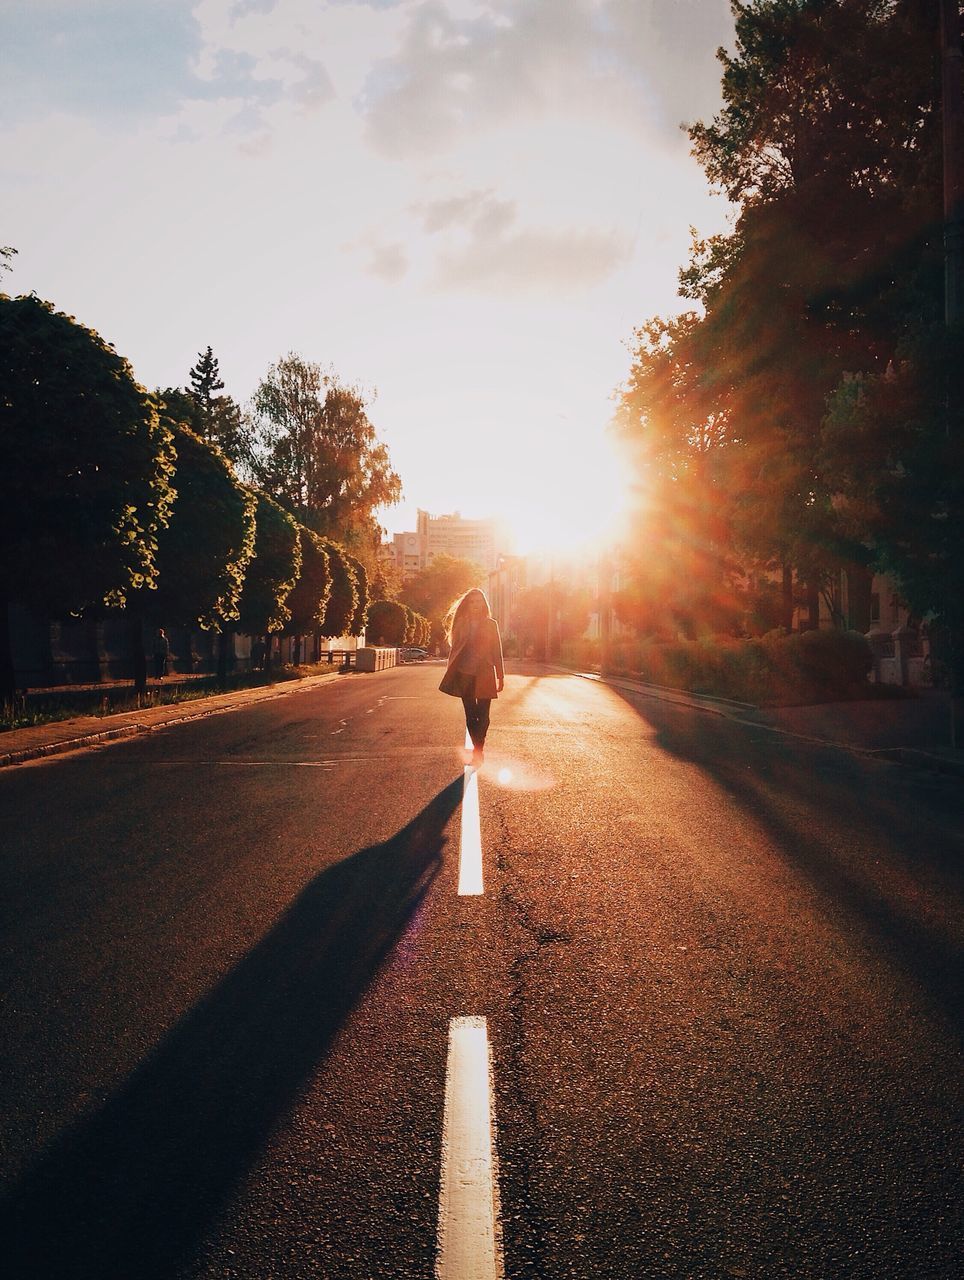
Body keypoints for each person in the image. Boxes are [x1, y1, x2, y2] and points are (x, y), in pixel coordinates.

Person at [439, 588, 504, 766]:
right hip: (464, 674)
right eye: (472, 602)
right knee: (471, 714)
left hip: (485, 674)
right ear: (468, 604)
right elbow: (455, 649)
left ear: (484, 604)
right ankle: (478, 751)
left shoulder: (491, 624)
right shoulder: (461, 622)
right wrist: (451, 671)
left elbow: (497, 651)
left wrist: (501, 675)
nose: (476, 605)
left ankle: (479, 747)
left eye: (479, 602)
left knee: (483, 715)